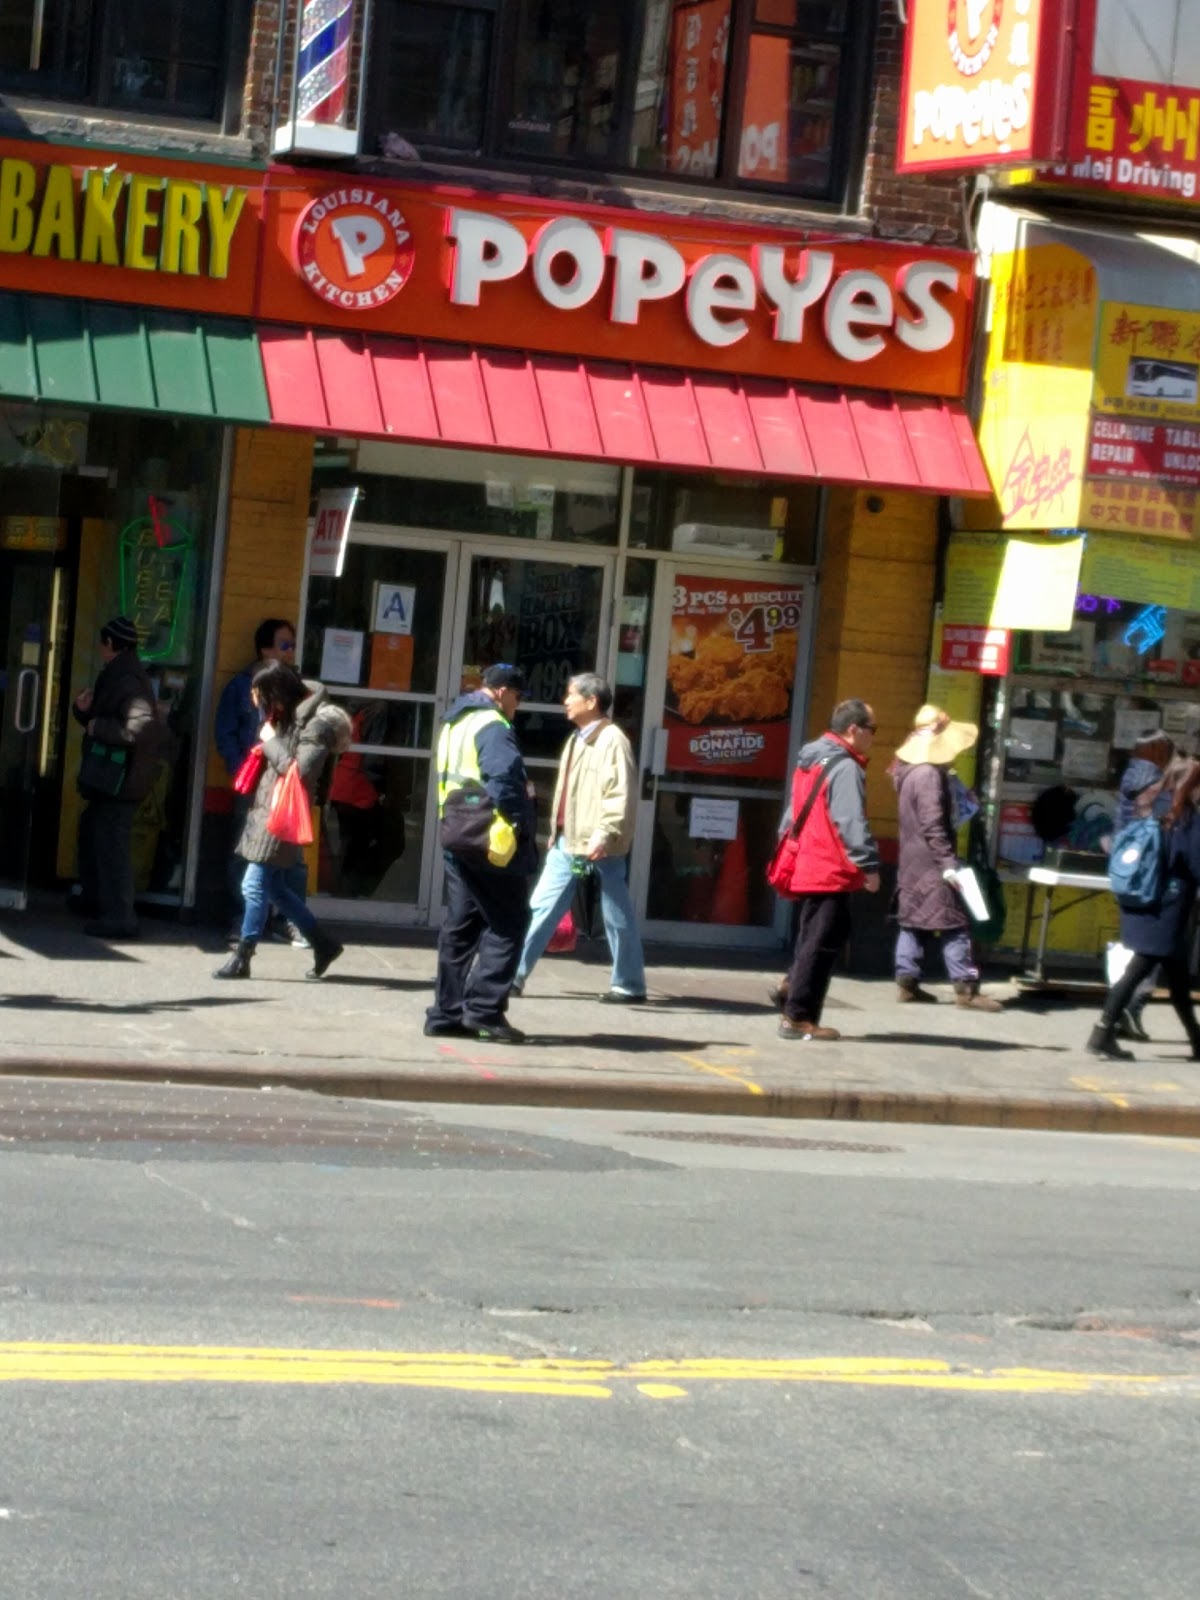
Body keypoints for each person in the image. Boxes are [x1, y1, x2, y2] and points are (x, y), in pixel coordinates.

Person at [511, 672, 645, 1004]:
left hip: (600, 845)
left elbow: (619, 794)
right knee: (541, 907)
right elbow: (568, 792)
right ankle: (512, 975)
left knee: (616, 915)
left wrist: (604, 834)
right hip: (567, 843)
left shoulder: (613, 740)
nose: (565, 701)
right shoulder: (576, 738)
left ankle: (629, 984)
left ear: (591, 701)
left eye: (571, 695)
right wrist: (556, 831)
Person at [214, 660, 350, 980]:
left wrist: (269, 740)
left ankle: (243, 956)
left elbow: (299, 772)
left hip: (283, 814)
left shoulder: (316, 725)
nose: (261, 705)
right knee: (274, 888)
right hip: (269, 809)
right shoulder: (284, 715)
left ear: (279, 693)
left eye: (263, 697)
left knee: (254, 884)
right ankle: (323, 943)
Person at [425, 664, 536, 1045]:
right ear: (502, 691)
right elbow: (502, 777)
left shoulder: (456, 722)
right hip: (489, 838)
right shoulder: (493, 725)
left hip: (456, 832)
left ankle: (445, 1013)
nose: (516, 706)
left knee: (462, 924)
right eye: (517, 698)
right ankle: (484, 1012)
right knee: (509, 921)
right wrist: (520, 820)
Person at [773, 698, 881, 1041]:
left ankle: (792, 985)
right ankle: (797, 1017)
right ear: (853, 730)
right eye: (871, 730)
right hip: (829, 863)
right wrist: (869, 865)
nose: (873, 738)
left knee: (820, 932)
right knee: (821, 938)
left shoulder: (812, 758)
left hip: (809, 858)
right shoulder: (846, 766)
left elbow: (792, 812)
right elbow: (850, 819)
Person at [1088, 754, 1200, 1061]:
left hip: (1143, 901)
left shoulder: (1155, 807)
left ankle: (1197, 1040)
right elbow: (1195, 863)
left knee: (1177, 978)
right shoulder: (1186, 816)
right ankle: (1101, 1033)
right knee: (1138, 971)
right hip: (1167, 910)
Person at [891, 705, 1002, 1012]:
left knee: (913, 922)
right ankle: (965, 989)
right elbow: (933, 824)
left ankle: (907, 983)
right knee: (955, 922)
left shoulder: (907, 771)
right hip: (932, 862)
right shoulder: (928, 775)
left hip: (913, 861)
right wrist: (948, 864)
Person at [214, 618, 309, 945]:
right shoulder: (242, 686)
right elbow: (224, 731)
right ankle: (244, 918)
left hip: (285, 783)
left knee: (292, 857)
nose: (290, 651)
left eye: (293, 645)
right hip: (254, 782)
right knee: (244, 850)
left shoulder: (298, 688)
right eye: (284, 644)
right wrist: (238, 767)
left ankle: (290, 921)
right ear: (265, 649)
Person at [71, 616, 163, 940]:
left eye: (102, 642)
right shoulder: (121, 673)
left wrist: (98, 726)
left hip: (121, 780)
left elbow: (138, 726)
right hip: (115, 777)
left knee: (112, 845)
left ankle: (120, 917)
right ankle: (98, 902)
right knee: (95, 834)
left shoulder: (126, 679)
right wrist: (84, 711)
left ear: (110, 644)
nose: (99, 648)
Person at [1107, 731, 1174, 1041]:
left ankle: (1120, 1008)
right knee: (1151, 950)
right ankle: (1127, 1007)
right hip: (1150, 872)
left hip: (1128, 869)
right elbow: (1162, 823)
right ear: (1157, 750)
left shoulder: (1131, 775)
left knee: (1137, 945)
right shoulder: (1155, 780)